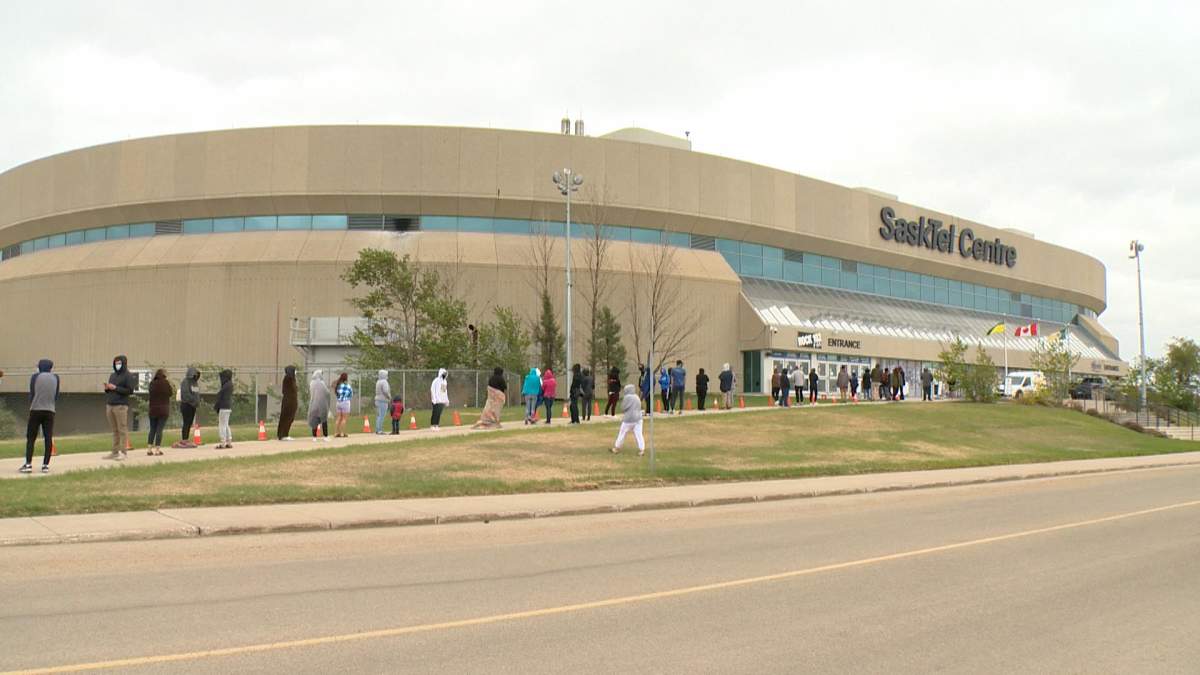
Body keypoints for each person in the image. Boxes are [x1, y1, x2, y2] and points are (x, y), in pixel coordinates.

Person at [21, 359, 58, 474]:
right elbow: (56, 395)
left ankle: (28, 464)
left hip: (36, 409)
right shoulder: (56, 378)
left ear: (41, 366)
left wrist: (32, 404)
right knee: (48, 437)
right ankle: (45, 465)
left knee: (31, 438)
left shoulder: (35, 377)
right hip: (50, 410)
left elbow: (32, 393)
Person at [102, 354, 136, 461]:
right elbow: (109, 390)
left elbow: (130, 390)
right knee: (114, 430)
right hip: (110, 404)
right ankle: (114, 452)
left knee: (122, 429)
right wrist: (107, 388)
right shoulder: (112, 375)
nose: (117, 365)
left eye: (119, 363)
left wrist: (116, 388)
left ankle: (123, 452)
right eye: (116, 363)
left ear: (124, 363)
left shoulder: (128, 375)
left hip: (121, 406)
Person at [610, 384, 645, 456]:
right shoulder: (636, 397)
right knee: (639, 434)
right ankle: (642, 449)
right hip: (638, 418)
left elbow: (623, 408)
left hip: (629, 419)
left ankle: (616, 448)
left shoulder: (627, 397)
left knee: (622, 433)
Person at [146, 369, 173, 456]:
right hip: (163, 410)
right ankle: (157, 450)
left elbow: (150, 393)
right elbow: (170, 393)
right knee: (159, 430)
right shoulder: (166, 383)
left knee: (152, 429)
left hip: (153, 409)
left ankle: (149, 449)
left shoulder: (152, 383)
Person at [179, 366, 201, 447]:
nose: (196, 376)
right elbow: (186, 395)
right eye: (194, 374)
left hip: (193, 406)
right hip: (186, 405)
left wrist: (197, 402)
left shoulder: (194, 383)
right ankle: (184, 439)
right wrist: (193, 401)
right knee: (186, 422)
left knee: (189, 422)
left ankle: (186, 439)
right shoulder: (185, 382)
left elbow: (196, 394)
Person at [307, 370, 331, 440]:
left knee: (314, 420)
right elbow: (327, 392)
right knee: (324, 420)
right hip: (321, 404)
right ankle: (325, 436)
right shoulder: (322, 383)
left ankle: (314, 437)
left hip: (313, 403)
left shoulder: (311, 383)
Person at [214, 369, 234, 449]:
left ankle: (222, 443)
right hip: (228, 407)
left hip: (223, 407)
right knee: (226, 424)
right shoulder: (230, 384)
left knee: (222, 425)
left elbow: (220, 396)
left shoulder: (226, 385)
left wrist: (216, 406)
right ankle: (229, 442)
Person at [277, 365, 297, 441]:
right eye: (294, 370)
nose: (295, 372)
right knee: (286, 417)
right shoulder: (288, 379)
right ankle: (283, 435)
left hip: (292, 401)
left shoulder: (293, 379)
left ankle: (284, 434)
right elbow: (286, 391)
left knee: (290, 418)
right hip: (288, 401)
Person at [333, 372, 352, 437]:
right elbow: (351, 395)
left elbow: (337, 393)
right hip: (345, 402)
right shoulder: (348, 386)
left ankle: (336, 432)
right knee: (344, 419)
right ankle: (343, 433)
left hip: (338, 402)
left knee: (338, 418)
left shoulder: (338, 386)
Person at [373, 370, 391, 435]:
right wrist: (389, 397)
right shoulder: (384, 382)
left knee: (378, 415)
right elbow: (385, 391)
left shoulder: (378, 381)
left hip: (377, 400)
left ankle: (377, 429)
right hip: (383, 400)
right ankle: (380, 430)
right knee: (382, 415)